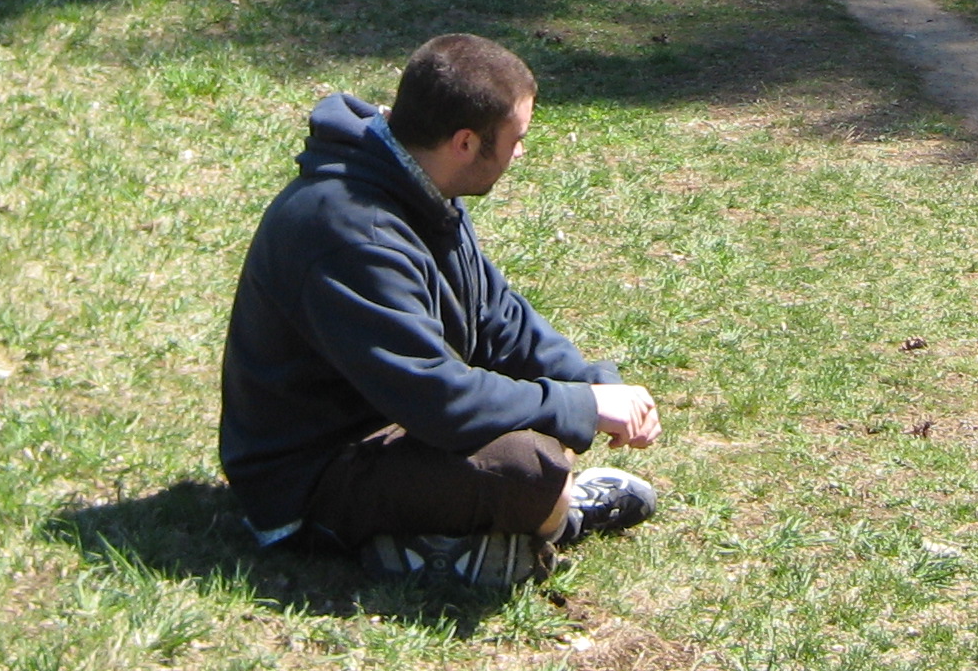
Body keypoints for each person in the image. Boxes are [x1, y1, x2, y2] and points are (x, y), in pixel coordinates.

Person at [218, 33, 663, 589]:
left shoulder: (418, 184)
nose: (521, 152)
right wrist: (580, 406)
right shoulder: (353, 233)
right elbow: (439, 398)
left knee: (539, 447)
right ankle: (543, 518)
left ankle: (521, 512)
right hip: (310, 480)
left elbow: (497, 316)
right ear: (465, 142)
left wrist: (590, 384)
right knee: (529, 467)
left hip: (392, 420)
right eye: (516, 138)